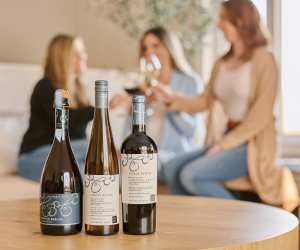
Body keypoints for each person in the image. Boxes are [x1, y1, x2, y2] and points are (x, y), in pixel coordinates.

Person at [152, 0, 299, 211]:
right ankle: (200, 222)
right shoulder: (221, 63)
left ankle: (247, 220)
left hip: (251, 144)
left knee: (191, 175)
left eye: (223, 19)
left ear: (239, 21)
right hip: (225, 137)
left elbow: (261, 116)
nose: (218, 25)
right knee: (172, 168)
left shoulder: (264, 59)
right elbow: (203, 101)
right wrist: (169, 98)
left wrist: (224, 145)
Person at [110, 27, 205, 181]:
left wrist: (168, 102)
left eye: (155, 46)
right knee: (106, 166)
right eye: (145, 48)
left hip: (172, 155)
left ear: (169, 48)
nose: (149, 52)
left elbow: (191, 130)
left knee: (138, 166)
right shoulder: (143, 84)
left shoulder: (190, 82)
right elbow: (128, 134)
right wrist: (131, 110)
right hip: (143, 152)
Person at [18, 34, 94, 182]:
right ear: (63, 58)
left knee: (93, 173)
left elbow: (77, 135)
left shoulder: (79, 91)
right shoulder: (45, 87)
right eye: (77, 54)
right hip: (34, 156)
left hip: (66, 155)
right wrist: (102, 109)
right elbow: (66, 120)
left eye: (83, 52)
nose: (84, 56)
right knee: (94, 147)